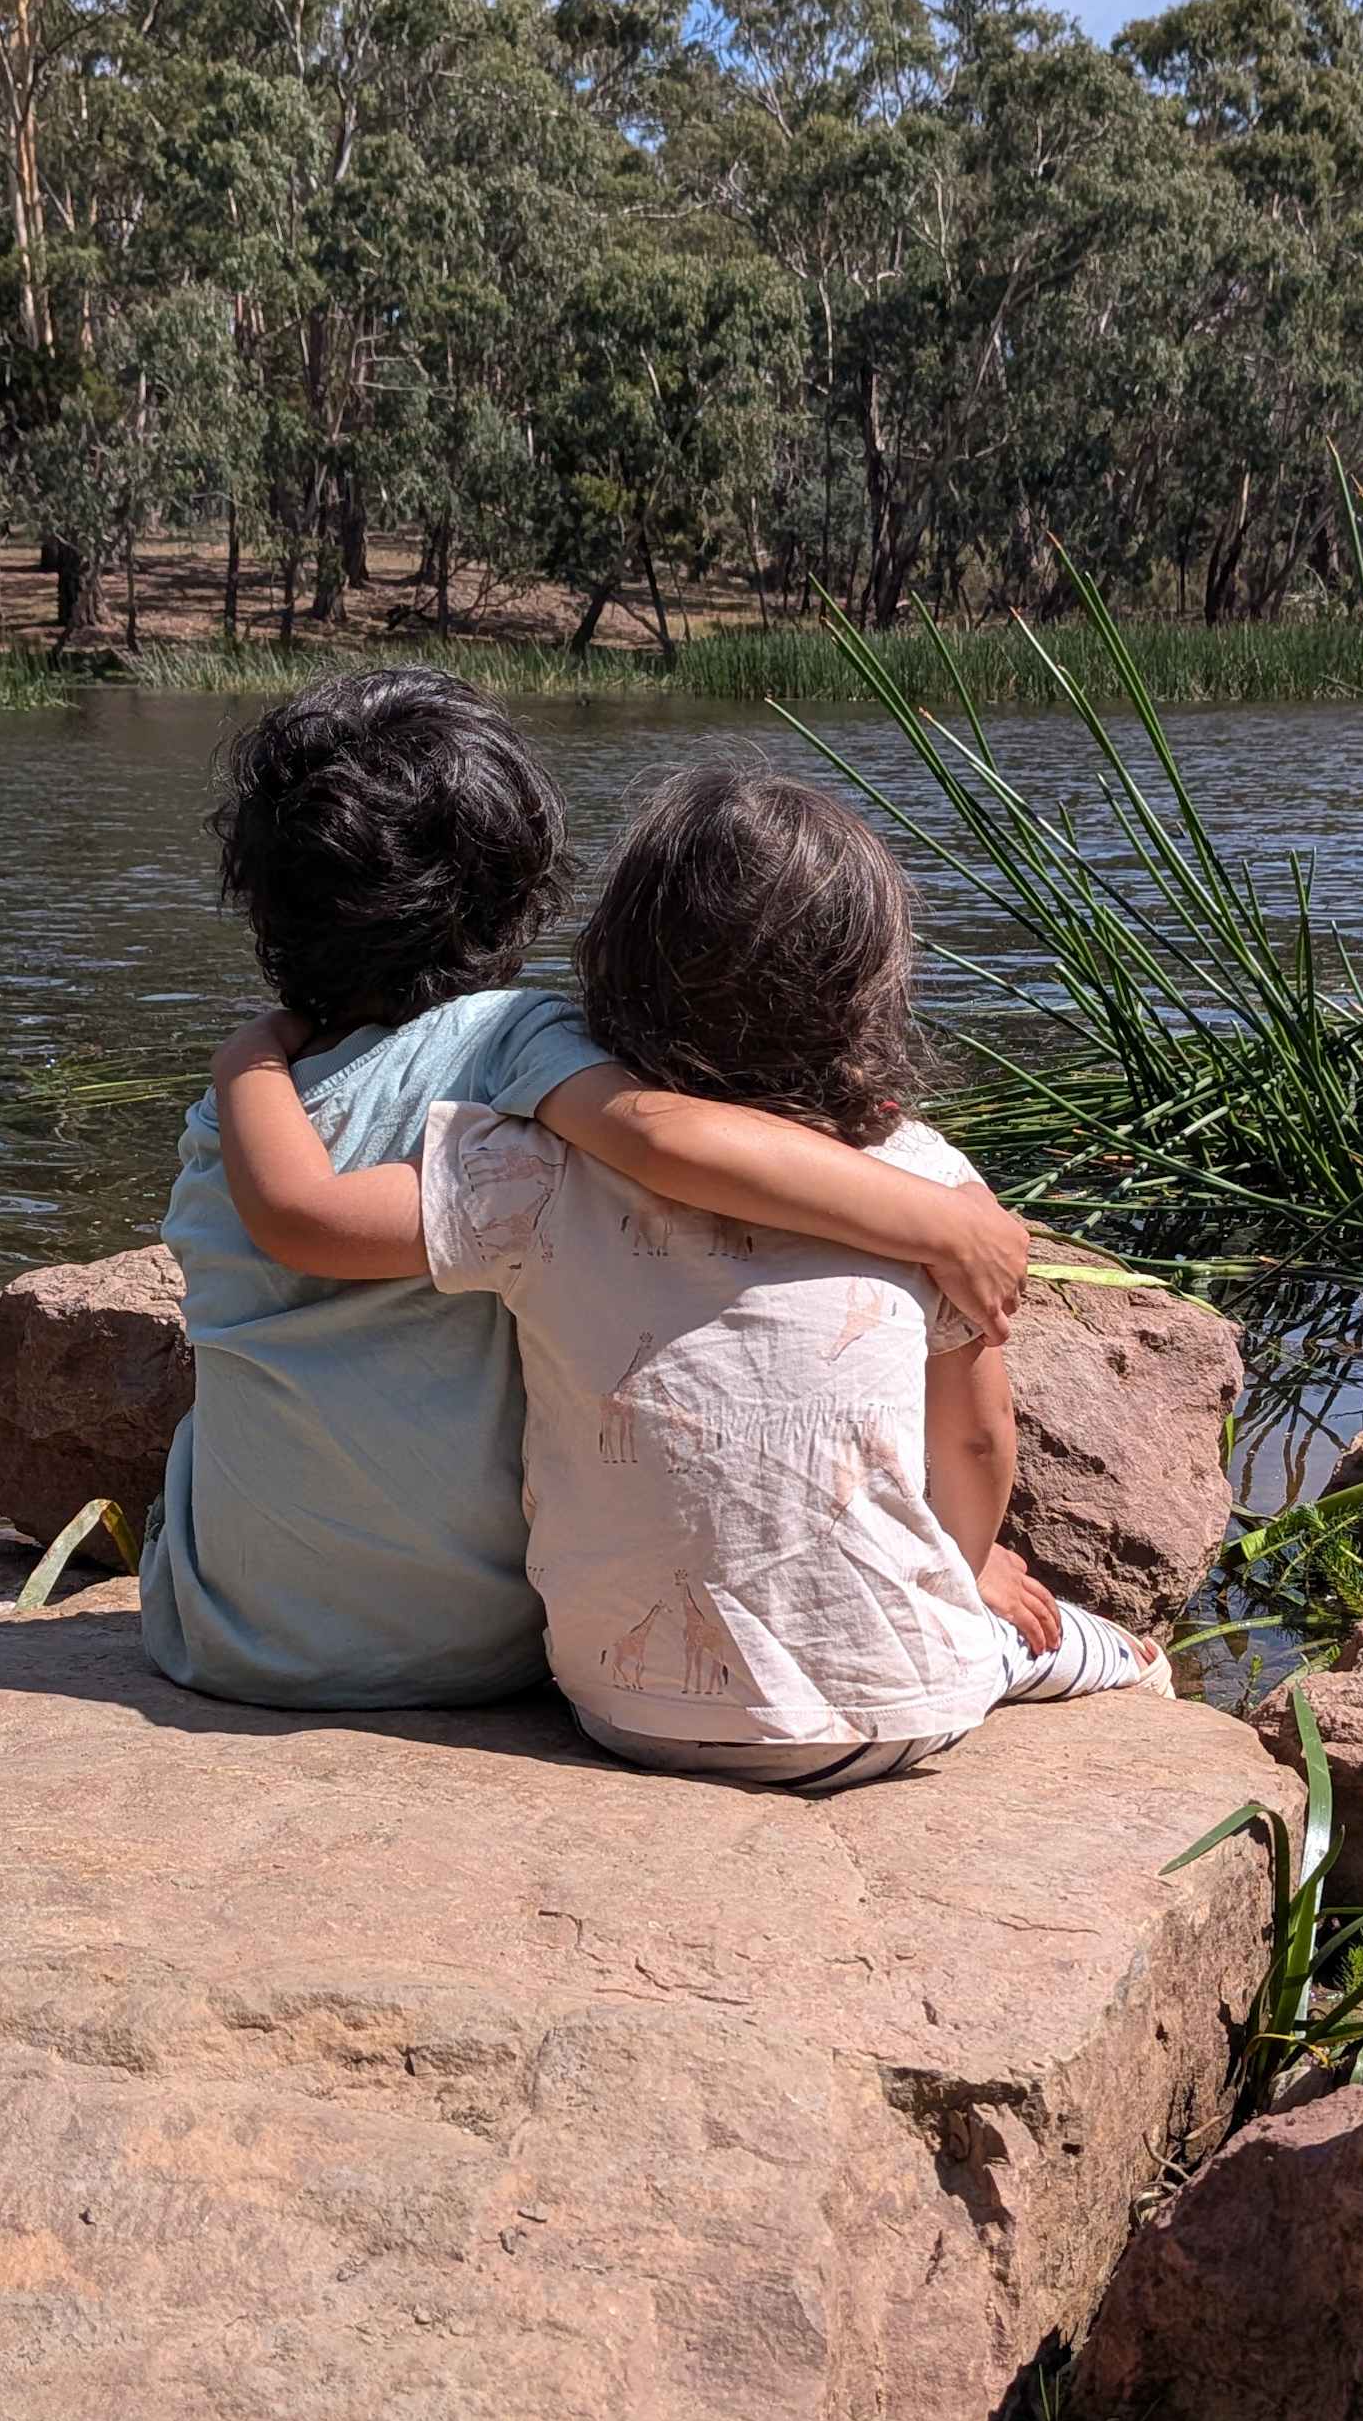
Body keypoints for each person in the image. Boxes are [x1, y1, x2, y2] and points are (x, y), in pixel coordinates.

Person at [211, 764, 1168, 1786]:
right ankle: (1127, 1677)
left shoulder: (532, 1169)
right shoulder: (932, 1190)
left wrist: (247, 1062)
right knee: (1075, 1641)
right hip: (905, 1709)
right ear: (869, 985)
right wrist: (969, 1566)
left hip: (625, 1706)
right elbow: (975, 1440)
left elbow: (308, 1222)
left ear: (615, 964)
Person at [138, 673, 1034, 1710]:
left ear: (269, 906)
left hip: (228, 1639)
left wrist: (243, 1059)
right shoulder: (521, 1041)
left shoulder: (232, 1120)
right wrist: (937, 1220)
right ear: (516, 891)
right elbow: (665, 1139)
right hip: (494, 1645)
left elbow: (298, 1220)